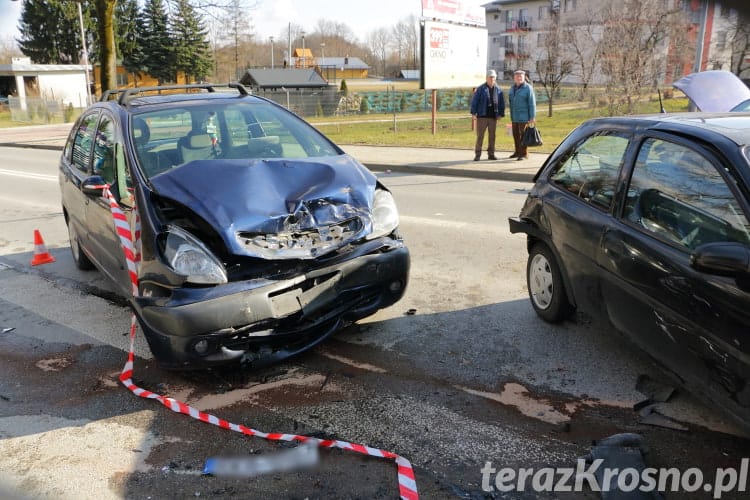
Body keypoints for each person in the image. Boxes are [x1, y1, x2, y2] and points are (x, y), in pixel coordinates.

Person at [470, 69, 505, 161]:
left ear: (495, 78)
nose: (492, 79)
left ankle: (491, 154)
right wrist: (473, 113)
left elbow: (501, 103)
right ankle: (477, 154)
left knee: (492, 136)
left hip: (493, 117)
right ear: (486, 78)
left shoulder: (498, 89)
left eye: (493, 77)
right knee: (480, 136)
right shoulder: (481, 89)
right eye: (490, 77)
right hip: (482, 116)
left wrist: (501, 113)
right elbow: (475, 101)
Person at [508, 69, 536, 161]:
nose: (519, 78)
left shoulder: (528, 88)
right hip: (514, 117)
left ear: (524, 77)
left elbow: (532, 103)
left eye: (521, 76)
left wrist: (532, 117)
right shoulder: (512, 88)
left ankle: (524, 154)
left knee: (523, 136)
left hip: (524, 117)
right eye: (517, 76)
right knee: (515, 135)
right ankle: (517, 152)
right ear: (514, 78)